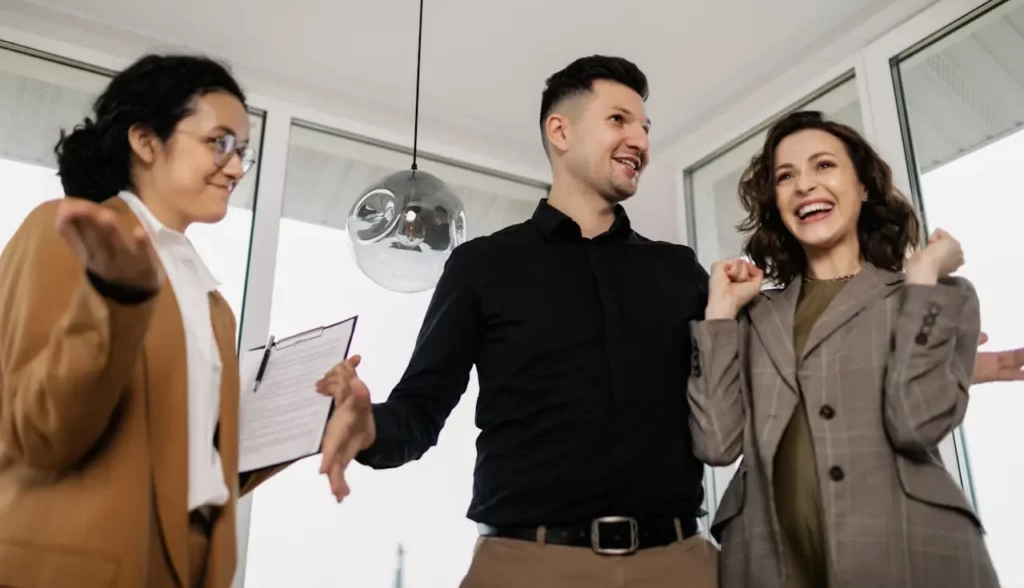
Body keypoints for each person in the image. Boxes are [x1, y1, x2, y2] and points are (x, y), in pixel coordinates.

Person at [316, 55, 718, 587]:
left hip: (679, 563)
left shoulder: (679, 271)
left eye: (645, 126)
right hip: (525, 565)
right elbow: (419, 411)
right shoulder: (482, 266)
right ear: (560, 131)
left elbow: (729, 406)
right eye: (619, 120)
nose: (640, 140)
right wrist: (368, 426)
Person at [688, 110, 999, 587]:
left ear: (864, 187)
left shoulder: (938, 295)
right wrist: (720, 314)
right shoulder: (753, 315)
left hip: (910, 555)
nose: (804, 185)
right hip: (769, 563)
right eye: (785, 176)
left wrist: (920, 279)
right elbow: (715, 443)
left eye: (824, 166)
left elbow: (917, 422)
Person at [0, 54, 278, 588]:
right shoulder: (66, 234)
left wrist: (309, 415)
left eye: (243, 151)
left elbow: (189, 464)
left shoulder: (215, 306)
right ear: (147, 142)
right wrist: (114, 299)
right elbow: (39, 431)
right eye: (218, 142)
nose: (237, 167)